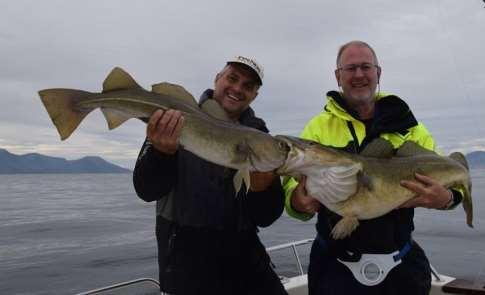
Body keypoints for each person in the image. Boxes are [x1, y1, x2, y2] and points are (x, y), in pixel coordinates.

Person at [283, 41, 464, 294]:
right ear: (338, 77)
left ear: (379, 73)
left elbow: (451, 181)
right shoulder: (317, 129)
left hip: (401, 269)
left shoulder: (410, 127)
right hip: (333, 270)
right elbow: (293, 184)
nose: (359, 75)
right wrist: (296, 202)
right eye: (351, 68)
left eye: (366, 67)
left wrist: (446, 199)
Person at [133, 56, 287, 295]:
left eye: (248, 86)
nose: (237, 88)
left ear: (255, 96)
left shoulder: (261, 140)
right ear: (217, 78)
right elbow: (146, 189)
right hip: (187, 270)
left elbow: (266, 216)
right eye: (232, 78)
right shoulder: (176, 119)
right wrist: (161, 153)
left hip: (246, 265)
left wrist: (262, 188)